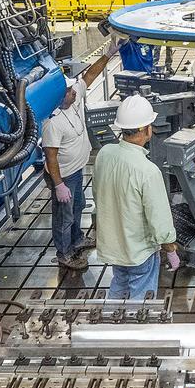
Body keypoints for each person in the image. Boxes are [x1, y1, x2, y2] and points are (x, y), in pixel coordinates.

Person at [93, 94, 180, 300]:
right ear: (146, 129)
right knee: (140, 303)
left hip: (114, 246)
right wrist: (170, 249)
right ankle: (134, 330)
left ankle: (109, 327)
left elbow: (98, 195)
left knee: (119, 286)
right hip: (139, 252)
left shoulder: (105, 154)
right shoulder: (147, 171)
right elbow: (159, 219)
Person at [41, 48, 119, 273]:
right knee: (64, 216)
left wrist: (108, 54)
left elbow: (89, 76)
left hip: (76, 170)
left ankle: (77, 240)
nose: (74, 92)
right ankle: (65, 253)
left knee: (78, 206)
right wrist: (58, 185)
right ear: (59, 97)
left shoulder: (72, 100)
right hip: (63, 176)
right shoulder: (52, 123)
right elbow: (51, 157)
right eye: (69, 91)